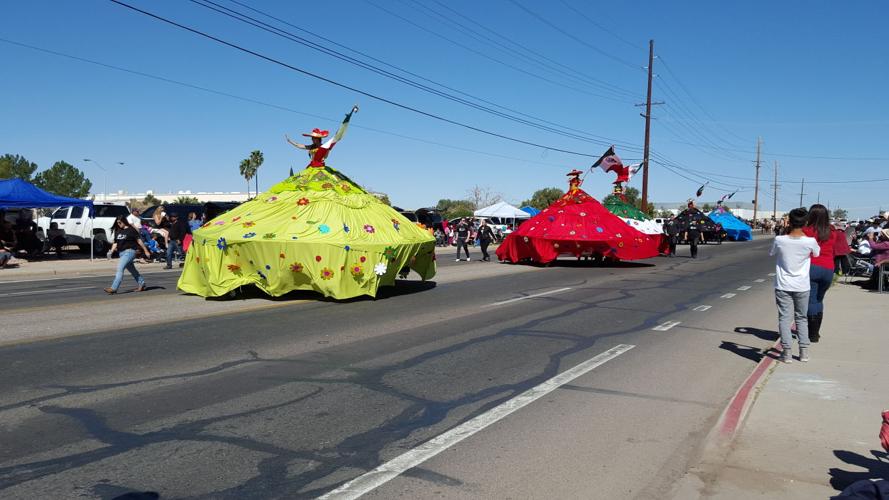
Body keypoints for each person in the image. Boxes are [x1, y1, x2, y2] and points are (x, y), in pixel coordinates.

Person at [769, 208, 820, 363]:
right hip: (802, 285)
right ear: (805, 223)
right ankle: (803, 352)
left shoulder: (780, 240)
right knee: (801, 318)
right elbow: (816, 253)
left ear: (789, 222)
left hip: (783, 284)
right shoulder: (810, 241)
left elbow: (772, 253)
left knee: (784, 318)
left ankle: (787, 353)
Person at [802, 204, 839, 342]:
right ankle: (816, 331)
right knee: (819, 299)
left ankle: (812, 334)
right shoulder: (832, 232)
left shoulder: (806, 231)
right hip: (828, 268)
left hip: (812, 266)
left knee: (811, 300)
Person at [286, 105, 358, 168]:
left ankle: (348, 117)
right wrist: (290, 141)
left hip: (320, 167)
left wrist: (327, 150)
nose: (313, 140)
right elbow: (300, 146)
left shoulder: (324, 146)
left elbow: (326, 157)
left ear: (318, 139)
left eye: (314, 138)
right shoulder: (312, 146)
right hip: (311, 166)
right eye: (312, 138)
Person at [105, 216, 150, 294]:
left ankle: (114, 288)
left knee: (120, 268)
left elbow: (139, 241)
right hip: (121, 253)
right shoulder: (118, 231)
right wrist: (111, 252)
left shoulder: (131, 230)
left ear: (124, 221)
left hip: (130, 251)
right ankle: (142, 283)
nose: (119, 224)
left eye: (120, 222)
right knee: (132, 270)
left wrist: (146, 251)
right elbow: (115, 243)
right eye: (117, 223)